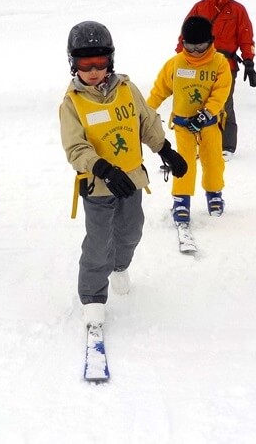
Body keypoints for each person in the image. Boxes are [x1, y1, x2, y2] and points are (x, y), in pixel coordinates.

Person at [59, 21, 187, 328]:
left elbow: (146, 121)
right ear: (73, 64)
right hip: (99, 186)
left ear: (110, 61)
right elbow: (75, 147)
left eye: (99, 63)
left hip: (131, 182)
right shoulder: (73, 103)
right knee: (98, 241)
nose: (92, 71)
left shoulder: (127, 90)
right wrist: (101, 167)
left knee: (131, 232)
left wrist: (165, 150)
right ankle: (92, 297)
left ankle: (120, 265)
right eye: (84, 64)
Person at [148, 16, 232, 224]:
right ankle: (181, 200)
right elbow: (159, 91)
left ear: (211, 42)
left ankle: (214, 194)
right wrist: (146, 112)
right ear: (183, 42)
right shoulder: (175, 64)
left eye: (201, 46)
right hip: (183, 126)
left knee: (213, 161)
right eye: (190, 46)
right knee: (183, 163)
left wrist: (206, 113)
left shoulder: (219, 63)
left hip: (209, 125)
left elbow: (221, 92)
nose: (195, 52)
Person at [176, 0, 256, 161]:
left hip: (225, 65)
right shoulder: (199, 7)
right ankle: (201, 143)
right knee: (198, 103)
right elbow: (184, 35)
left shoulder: (238, 10)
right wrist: (179, 61)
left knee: (223, 104)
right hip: (199, 65)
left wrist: (249, 62)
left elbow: (246, 37)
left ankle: (227, 145)